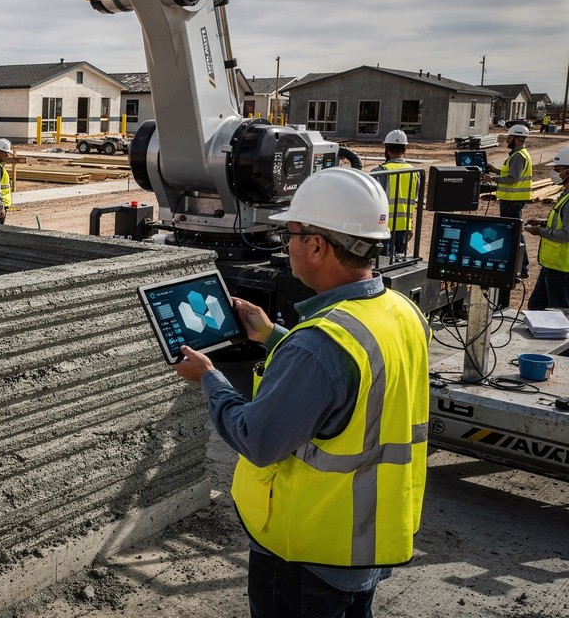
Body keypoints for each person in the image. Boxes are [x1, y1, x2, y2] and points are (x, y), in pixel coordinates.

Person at [174, 167, 431, 618]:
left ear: (317, 245)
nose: (284, 245)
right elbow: (350, 384)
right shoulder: (401, 311)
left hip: (309, 552)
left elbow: (259, 439)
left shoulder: (319, 346)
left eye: (289, 234)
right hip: (370, 539)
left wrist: (210, 379)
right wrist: (274, 336)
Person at [486, 123, 533, 278]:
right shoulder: (519, 154)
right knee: (513, 232)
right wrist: (496, 170)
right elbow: (512, 172)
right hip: (512, 199)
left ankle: (522, 268)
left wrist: (492, 178)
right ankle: (518, 266)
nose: (507, 140)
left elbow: (513, 178)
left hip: (512, 200)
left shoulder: (519, 155)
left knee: (514, 233)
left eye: (510, 137)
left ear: (518, 139)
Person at [525, 147, 569, 310]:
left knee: (559, 312)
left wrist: (540, 232)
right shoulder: (565, 195)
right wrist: (542, 222)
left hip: (562, 269)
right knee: (536, 307)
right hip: (551, 265)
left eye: (558, 170)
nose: (554, 173)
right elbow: (561, 221)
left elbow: (566, 233)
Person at [371, 130, 419, 258]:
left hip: (384, 228)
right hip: (404, 226)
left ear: (386, 149)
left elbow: (372, 202)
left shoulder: (379, 172)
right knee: (399, 264)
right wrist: (411, 226)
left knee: (383, 265)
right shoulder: (415, 172)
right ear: (404, 150)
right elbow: (413, 199)